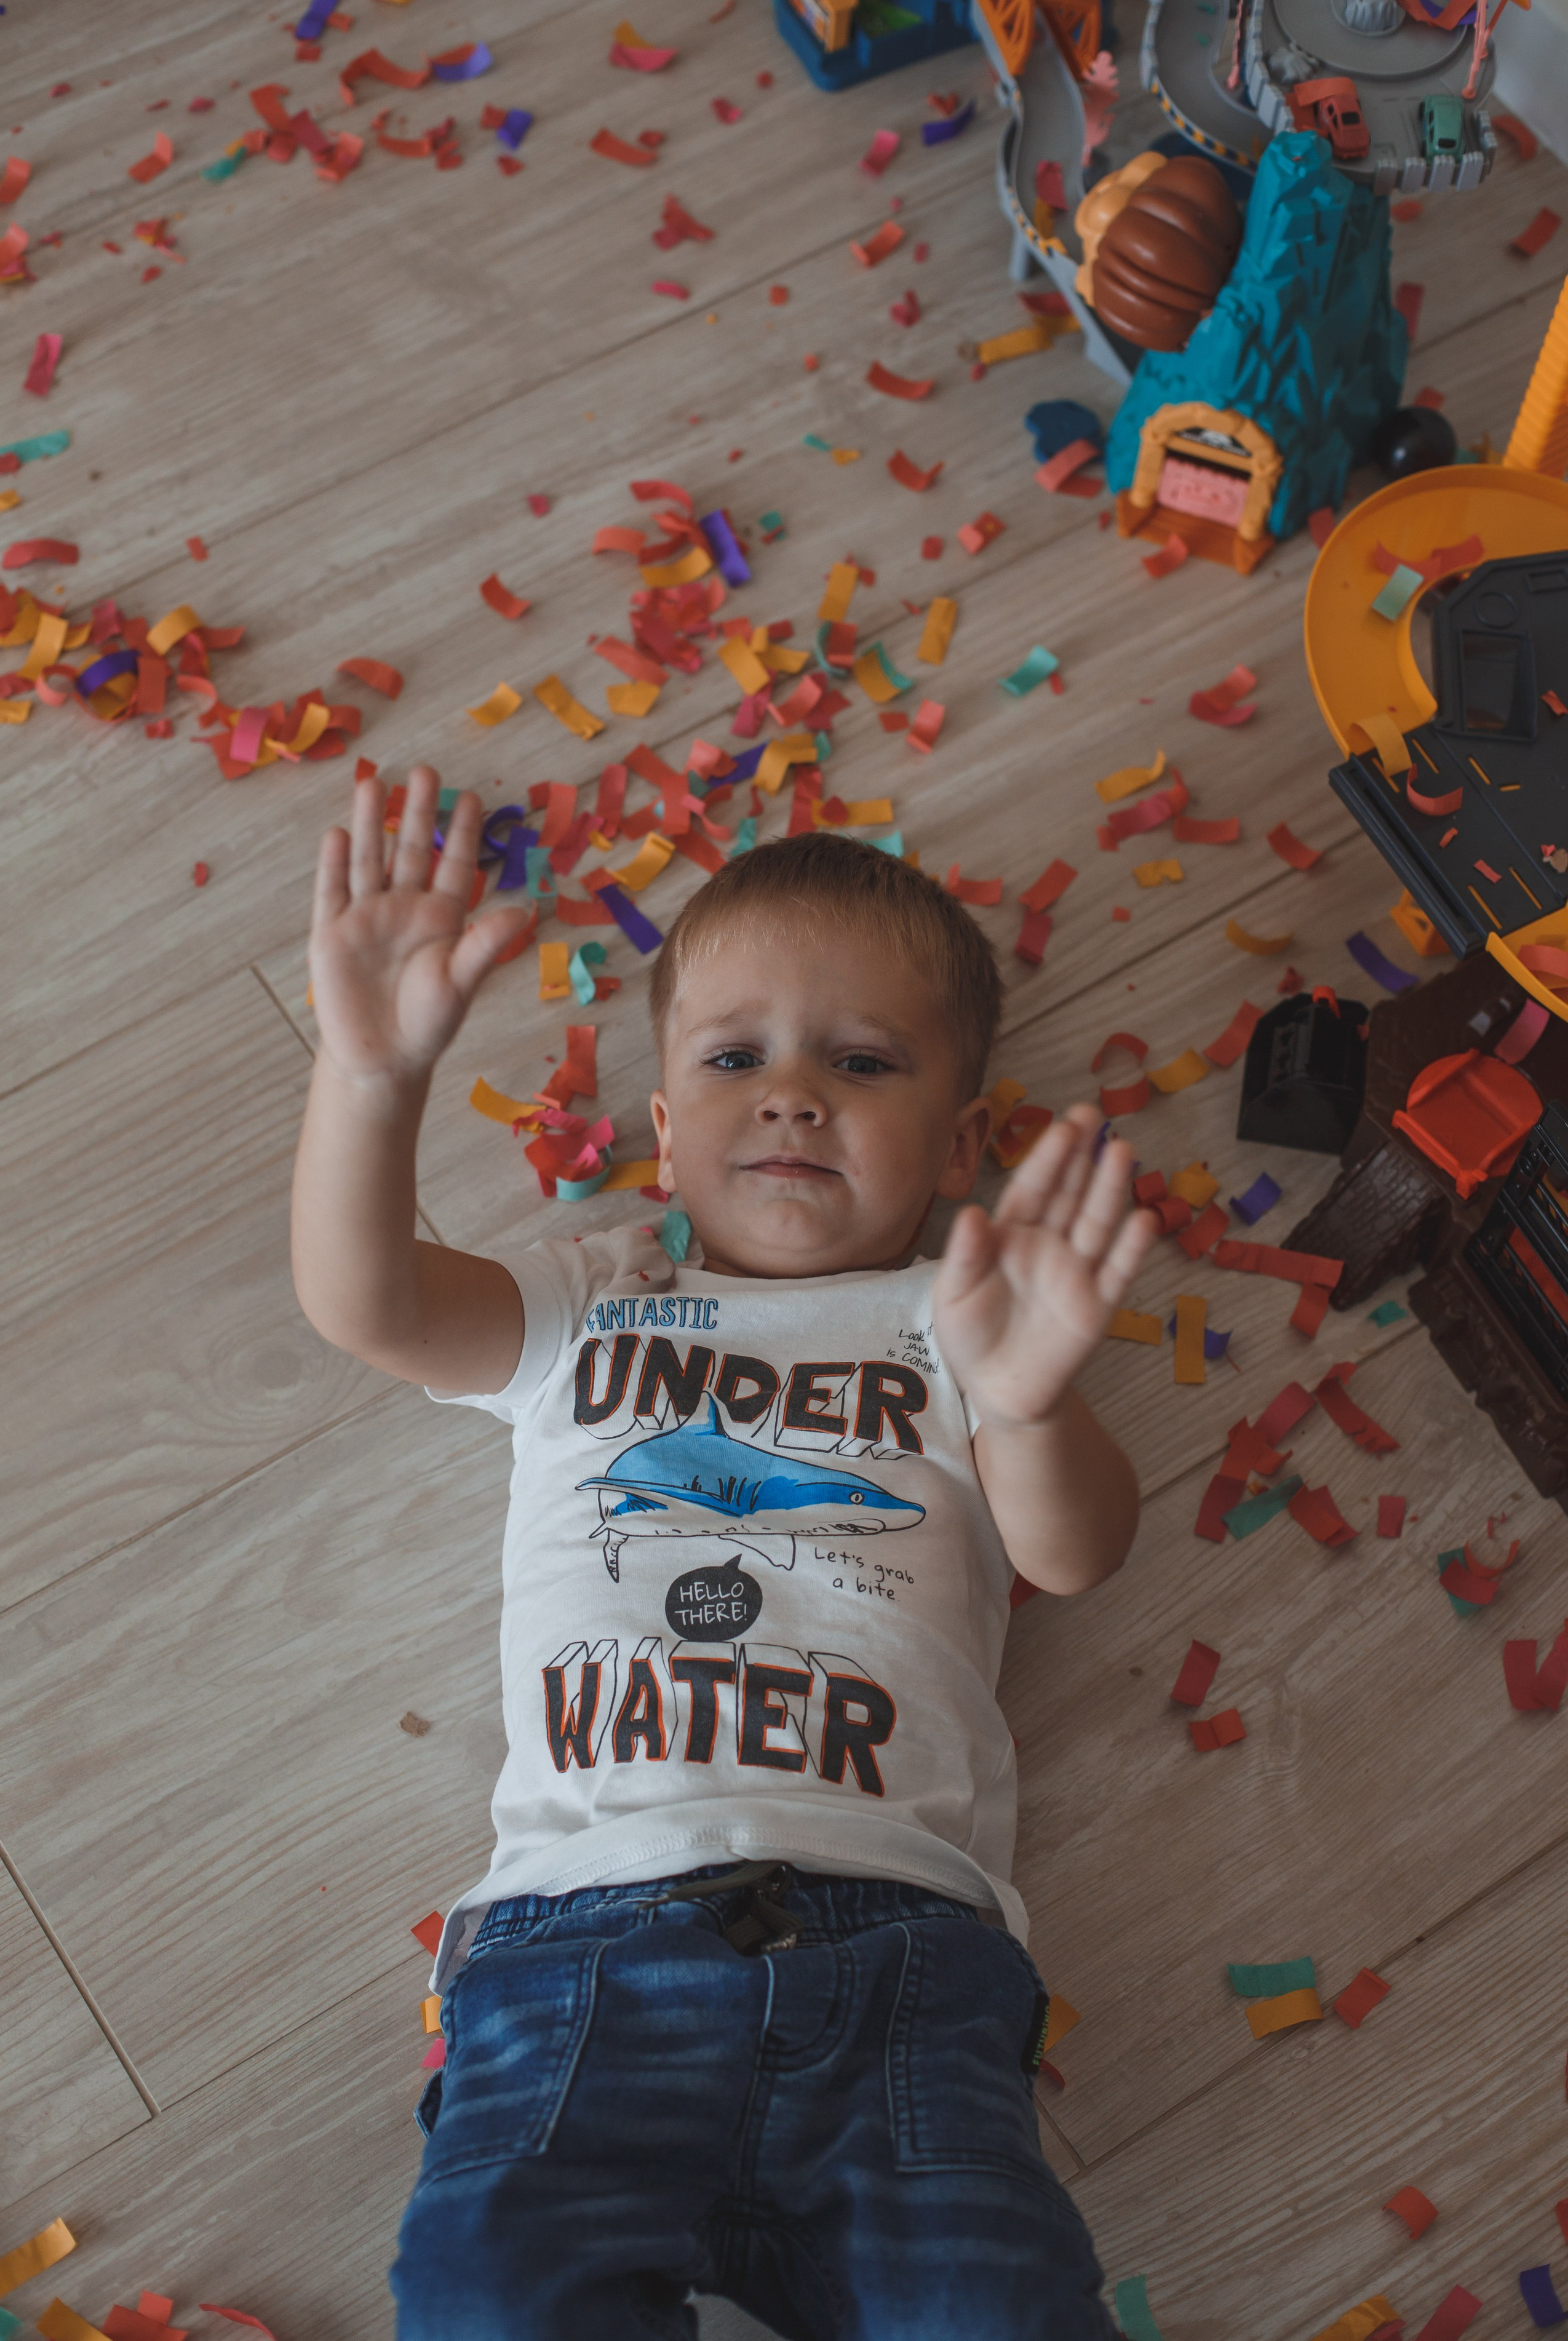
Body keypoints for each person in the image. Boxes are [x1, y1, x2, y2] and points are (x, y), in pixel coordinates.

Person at [292, 763, 1157, 2340]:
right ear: (665, 1122)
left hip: (906, 1966)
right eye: (736, 1056)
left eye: (863, 1061)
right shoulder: (590, 1297)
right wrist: (367, 1081)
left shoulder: (962, 1320)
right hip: (579, 1958)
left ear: (960, 1142)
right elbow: (374, 1307)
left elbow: (1083, 1551)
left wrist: (1024, 1404)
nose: (792, 1092)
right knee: (485, 2298)